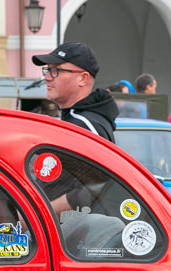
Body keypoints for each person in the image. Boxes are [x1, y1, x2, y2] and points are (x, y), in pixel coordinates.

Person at [32, 42, 118, 214]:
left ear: (83, 78)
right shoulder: (74, 120)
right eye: (47, 70)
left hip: (77, 232)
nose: (47, 77)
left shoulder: (85, 126)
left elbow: (96, 189)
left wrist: (36, 215)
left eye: (56, 70)